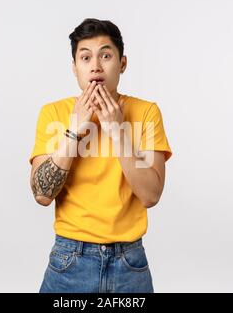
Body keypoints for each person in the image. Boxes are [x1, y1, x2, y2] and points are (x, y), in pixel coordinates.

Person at [29, 18, 173, 293]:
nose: (95, 65)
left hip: (129, 261)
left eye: (105, 55)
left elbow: (151, 195)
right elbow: (42, 194)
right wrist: (73, 131)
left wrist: (117, 131)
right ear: (75, 68)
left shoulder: (146, 112)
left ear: (122, 64)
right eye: (85, 57)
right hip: (69, 258)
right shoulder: (53, 113)